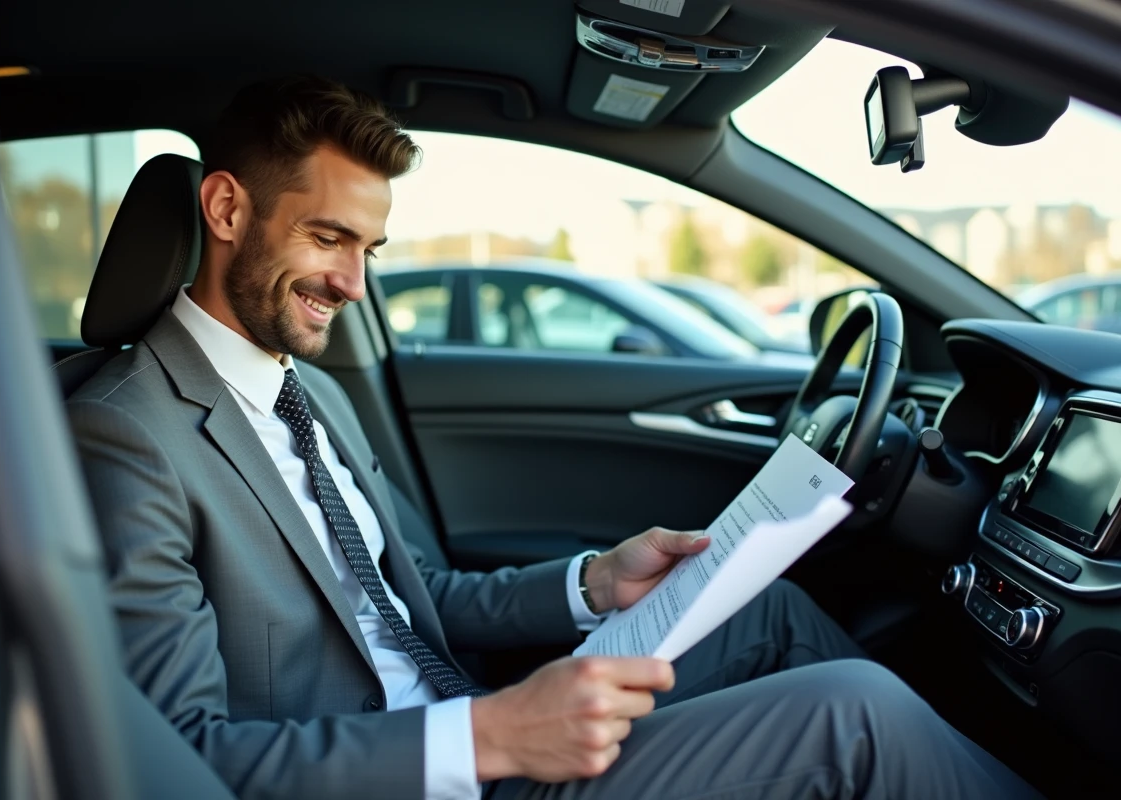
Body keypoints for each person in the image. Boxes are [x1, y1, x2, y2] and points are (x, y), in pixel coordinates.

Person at [67, 76, 1040, 800]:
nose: (355, 282)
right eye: (329, 238)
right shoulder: (125, 436)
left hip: (463, 714)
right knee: (855, 713)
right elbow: (177, 758)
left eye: (371, 249)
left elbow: (417, 596)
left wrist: (595, 584)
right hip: (415, 772)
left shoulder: (303, 387)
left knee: (768, 614)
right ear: (228, 209)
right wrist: (490, 737)